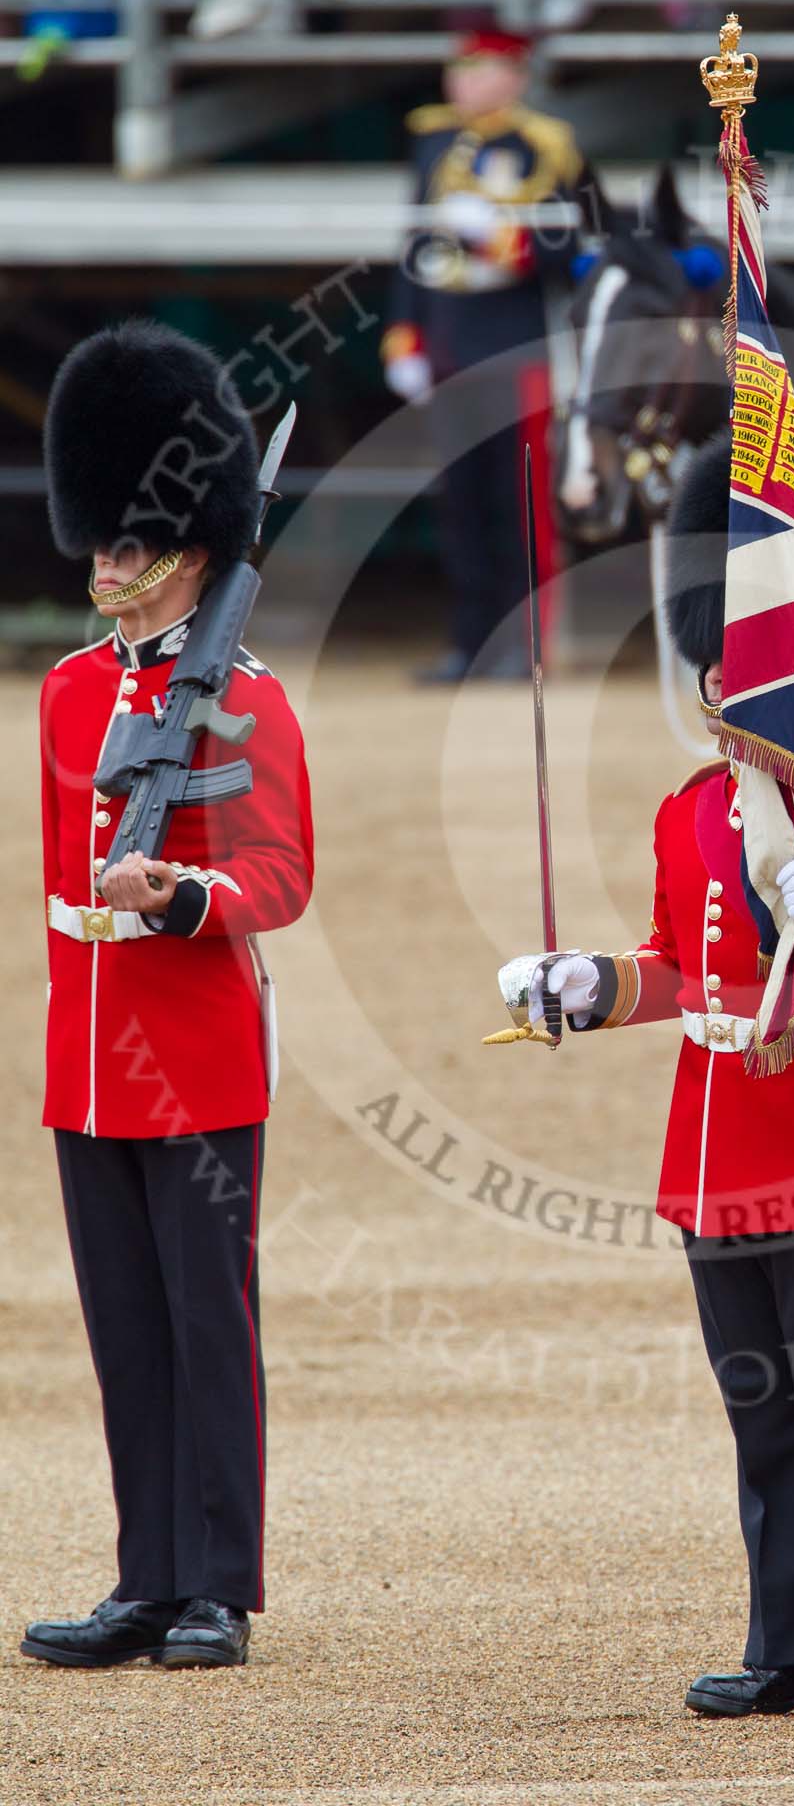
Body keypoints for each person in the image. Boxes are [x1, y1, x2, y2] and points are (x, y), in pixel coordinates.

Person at [497, 430, 794, 1719]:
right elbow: (675, 964)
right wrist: (588, 987)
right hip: (716, 1140)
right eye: (711, 655)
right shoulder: (689, 810)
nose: (717, 673)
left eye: (742, 657)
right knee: (760, 1407)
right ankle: (787, 1640)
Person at [20, 320, 314, 1672]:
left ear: (193, 549)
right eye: (100, 545)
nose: (105, 569)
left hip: (194, 1048)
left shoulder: (243, 702)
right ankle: (145, 1576)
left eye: (129, 548)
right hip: (89, 1048)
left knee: (208, 1327)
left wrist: (182, 898)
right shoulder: (73, 692)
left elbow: (279, 877)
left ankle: (219, 1584)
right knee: (127, 1334)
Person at [381, 27, 588, 684]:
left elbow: (569, 251)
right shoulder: (435, 143)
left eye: (481, 69)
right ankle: (468, 643)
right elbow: (412, 252)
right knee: (461, 504)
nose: (464, 82)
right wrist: (405, 335)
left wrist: (504, 241)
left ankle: (524, 646)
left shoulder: (543, 145)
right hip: (447, 343)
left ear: (515, 76)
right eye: (459, 69)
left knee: (519, 505)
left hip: (513, 345)